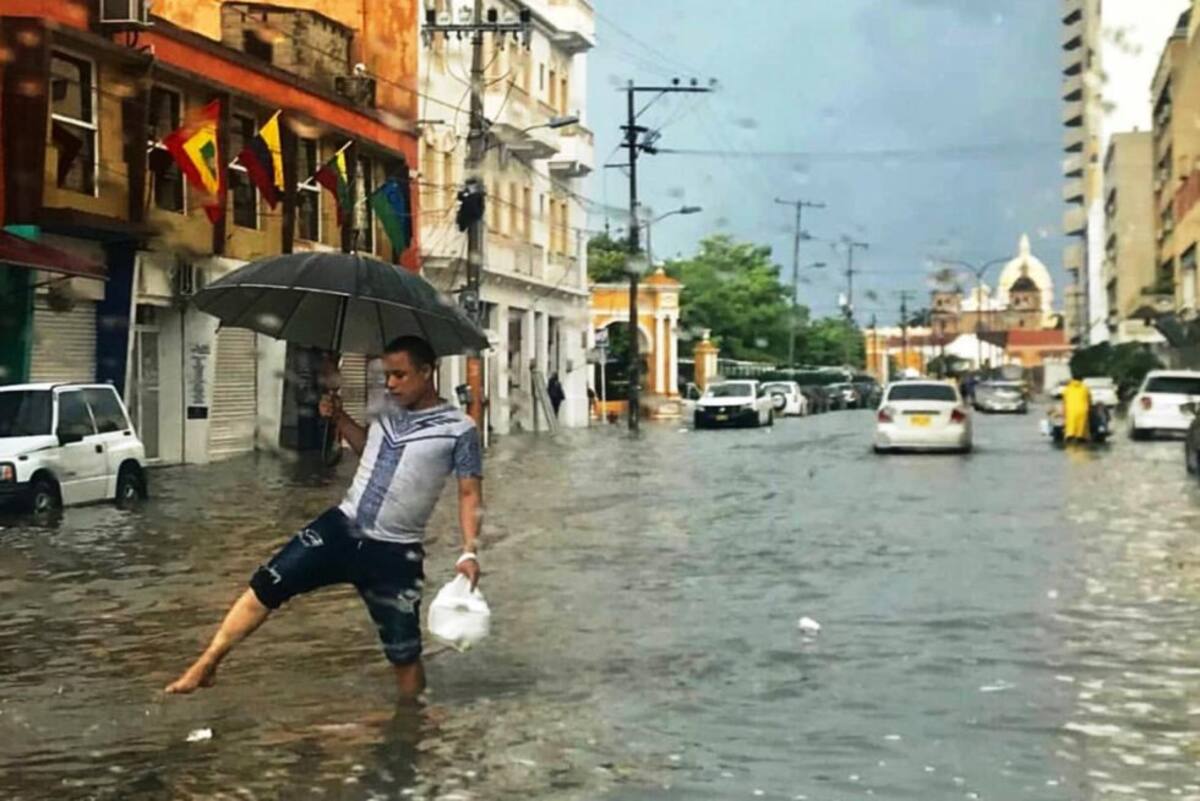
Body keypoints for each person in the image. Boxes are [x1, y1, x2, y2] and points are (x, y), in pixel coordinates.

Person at [165, 336, 483, 699]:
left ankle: (411, 728)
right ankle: (206, 664)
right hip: (340, 528)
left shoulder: (460, 429)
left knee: (404, 654)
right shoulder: (385, 408)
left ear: (427, 372)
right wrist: (340, 416)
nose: (391, 383)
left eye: (400, 375)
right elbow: (370, 449)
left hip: (395, 554)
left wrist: (469, 550)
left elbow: (470, 492)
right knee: (266, 585)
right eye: (387, 376)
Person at [1061, 372, 1092, 443]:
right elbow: (1089, 399)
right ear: (1082, 379)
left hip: (1070, 411)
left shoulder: (1067, 389)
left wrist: (1063, 413)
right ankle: (1080, 436)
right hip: (1082, 410)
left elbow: (1064, 402)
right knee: (1081, 427)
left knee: (1070, 425)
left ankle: (1070, 435)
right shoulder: (1085, 388)